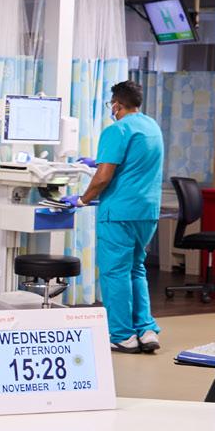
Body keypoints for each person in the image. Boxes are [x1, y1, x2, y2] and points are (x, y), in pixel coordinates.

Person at [76, 79, 166, 354]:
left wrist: (82, 199)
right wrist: (98, 161)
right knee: (136, 268)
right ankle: (146, 330)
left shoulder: (117, 130)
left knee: (115, 272)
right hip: (146, 212)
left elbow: (103, 177)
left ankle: (122, 336)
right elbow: (133, 163)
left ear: (116, 105)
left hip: (119, 213)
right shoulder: (151, 127)